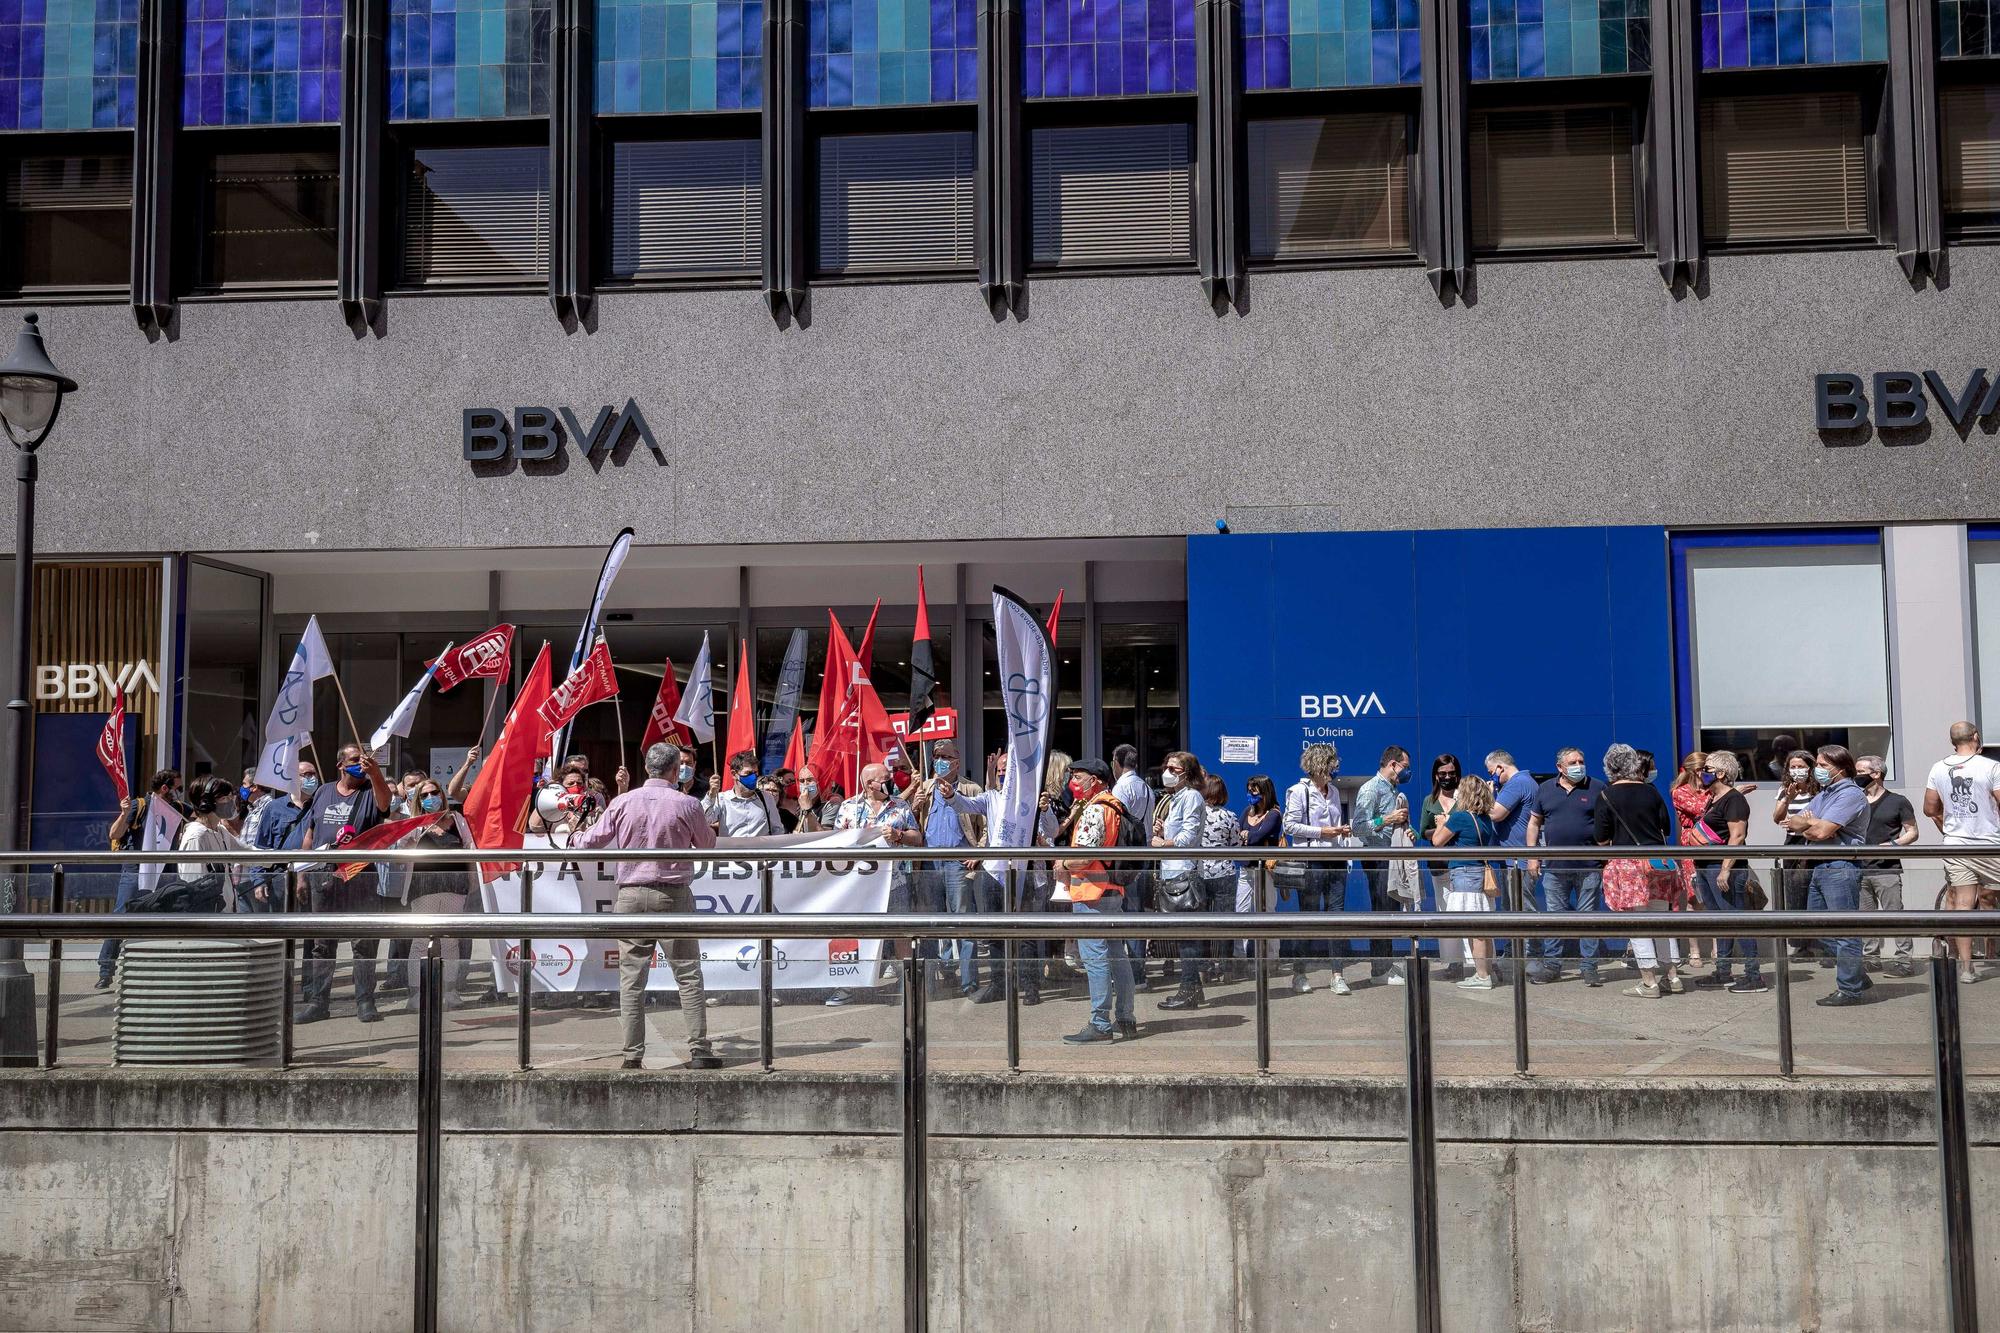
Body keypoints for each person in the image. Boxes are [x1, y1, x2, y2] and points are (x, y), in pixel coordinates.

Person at [568, 742, 720, 1070]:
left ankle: (632, 1055)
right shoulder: (687, 804)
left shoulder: (624, 801)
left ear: (647, 766)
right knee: (688, 975)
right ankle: (699, 1050)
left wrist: (573, 833)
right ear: (674, 769)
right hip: (673, 896)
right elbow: (707, 844)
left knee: (631, 978)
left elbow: (592, 840)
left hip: (631, 895)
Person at [941, 751, 1057, 1003]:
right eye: (1000, 772)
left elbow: (1052, 831)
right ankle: (999, 983)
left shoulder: (1033, 798)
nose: (1003, 775)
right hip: (993, 873)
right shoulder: (991, 798)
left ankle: (1030, 986)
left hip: (1024, 873)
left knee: (1025, 933)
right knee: (994, 931)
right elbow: (964, 805)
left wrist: (1046, 810)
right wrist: (950, 795)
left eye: (1007, 771)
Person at [297, 742, 396, 1024]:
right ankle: (319, 1002)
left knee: (363, 941)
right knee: (321, 944)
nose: (360, 763)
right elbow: (310, 835)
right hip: (323, 876)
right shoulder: (323, 792)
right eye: (354, 760)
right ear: (340, 765)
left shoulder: (369, 791)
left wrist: (375, 774)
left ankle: (365, 1001)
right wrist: (302, 874)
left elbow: (385, 804)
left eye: (363, 759)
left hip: (359, 874)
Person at [1054, 758, 1138, 1043]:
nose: (1073, 783)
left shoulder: (1094, 811)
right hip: (1112, 889)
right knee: (1117, 955)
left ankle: (1100, 1022)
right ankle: (1125, 1016)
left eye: (1079, 777)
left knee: (1096, 958)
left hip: (1092, 892)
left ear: (1097, 780)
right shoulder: (1115, 806)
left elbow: (1084, 857)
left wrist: (1063, 865)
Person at [1785, 744, 1874, 1006]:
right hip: (1819, 865)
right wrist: (1812, 825)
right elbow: (1795, 823)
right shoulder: (1824, 794)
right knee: (1817, 926)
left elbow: (1822, 832)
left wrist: (1812, 825)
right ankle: (1855, 971)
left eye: (1824, 765)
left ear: (1841, 768)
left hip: (1841, 865)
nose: (1818, 770)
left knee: (1844, 930)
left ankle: (1849, 989)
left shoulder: (1850, 795)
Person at [829, 762, 923, 1006]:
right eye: (885, 777)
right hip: (858, 885)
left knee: (901, 933)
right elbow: (835, 841)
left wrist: (899, 836)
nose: (890, 780)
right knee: (852, 934)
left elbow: (918, 838)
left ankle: (908, 985)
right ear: (869, 784)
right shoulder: (849, 807)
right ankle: (846, 985)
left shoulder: (900, 805)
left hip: (894, 882)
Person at [1594, 743, 1681, 999]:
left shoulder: (1606, 795)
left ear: (1610, 767)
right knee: (1662, 923)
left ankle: (1649, 982)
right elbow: (1665, 826)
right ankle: (1673, 977)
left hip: (1628, 866)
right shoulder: (1651, 792)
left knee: (1638, 923)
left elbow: (1601, 837)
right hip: (1658, 863)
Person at [391, 775, 479, 1011]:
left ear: (442, 794)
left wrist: (472, 879)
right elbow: (400, 850)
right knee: (421, 941)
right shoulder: (415, 822)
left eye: (435, 793)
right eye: (425, 795)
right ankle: (417, 993)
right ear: (418, 800)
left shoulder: (457, 819)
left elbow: (470, 849)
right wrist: (410, 832)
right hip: (424, 889)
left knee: (451, 940)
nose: (431, 798)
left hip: (454, 887)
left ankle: (449, 990)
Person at [905, 741, 984, 997]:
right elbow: (909, 825)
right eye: (936, 756)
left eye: (945, 757)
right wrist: (915, 806)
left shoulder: (970, 788)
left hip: (957, 863)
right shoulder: (925, 788)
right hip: (929, 862)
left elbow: (987, 825)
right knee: (931, 923)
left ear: (956, 762)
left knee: (963, 922)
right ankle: (937, 976)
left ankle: (969, 981)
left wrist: (979, 854)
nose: (939, 760)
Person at [1924, 721, 2000, 984]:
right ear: (1976, 737)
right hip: (1991, 843)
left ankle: (1967, 969)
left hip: (1956, 845)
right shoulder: (1991, 766)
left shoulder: (1938, 767)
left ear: (1952, 741)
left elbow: (1929, 808)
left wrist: (1949, 827)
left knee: (1963, 906)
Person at [1524, 746, 1606, 986]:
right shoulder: (1546, 789)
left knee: (1588, 919)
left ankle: (1589, 966)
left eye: (1581, 760)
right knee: (1555, 918)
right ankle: (1552, 965)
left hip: (1589, 866)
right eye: (1572, 762)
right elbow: (1534, 823)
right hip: (1554, 867)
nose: (1578, 765)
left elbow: (1607, 823)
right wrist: (1532, 856)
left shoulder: (1598, 787)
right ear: (1559, 767)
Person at [1688, 751, 1767, 992]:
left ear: (1721, 774)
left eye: (1707, 769)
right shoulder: (1715, 799)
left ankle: (1754, 976)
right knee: (1719, 922)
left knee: (1737, 920)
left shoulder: (1733, 800)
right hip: (1706, 867)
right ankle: (1723, 971)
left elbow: (1737, 836)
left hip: (1723, 869)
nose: (1701, 773)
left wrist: (1725, 869)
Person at [96, 769, 184, 988]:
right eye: (178, 788)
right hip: (135, 870)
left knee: (166, 917)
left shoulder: (177, 809)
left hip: (165, 870)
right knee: (121, 916)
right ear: (165, 788)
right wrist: (124, 813)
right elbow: (114, 834)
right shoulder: (140, 805)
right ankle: (106, 969)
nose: (180, 793)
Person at [1162, 774, 1242, 1010]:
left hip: (1198, 873)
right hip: (1225, 871)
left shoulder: (1194, 810)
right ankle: (1225, 968)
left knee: (1197, 928)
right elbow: (1236, 845)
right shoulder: (1229, 816)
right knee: (1225, 922)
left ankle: (1201, 973)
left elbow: (1185, 839)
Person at [1281, 743, 1349, 995]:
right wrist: (1323, 832)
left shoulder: (1333, 791)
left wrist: (1341, 834)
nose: (1336, 768)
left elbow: (1335, 824)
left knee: (1337, 918)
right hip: (1311, 860)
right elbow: (1289, 825)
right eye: (1332, 763)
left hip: (1335, 858)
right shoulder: (1299, 791)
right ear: (1320, 765)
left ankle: (1337, 974)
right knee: (1307, 917)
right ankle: (1300, 973)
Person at [1350, 746, 1412, 986]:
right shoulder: (1371, 788)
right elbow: (1359, 826)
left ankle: (1386, 962)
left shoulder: (1393, 790)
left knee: (1389, 910)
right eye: (1405, 767)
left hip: (1391, 854)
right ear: (1393, 765)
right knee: (1380, 909)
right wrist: (1387, 818)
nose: (1407, 772)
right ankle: (1379, 970)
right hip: (1376, 856)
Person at [1429, 773, 1498, 988]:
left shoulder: (1460, 817)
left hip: (1464, 875)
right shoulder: (1485, 819)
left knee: (1474, 929)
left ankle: (1482, 975)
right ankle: (1485, 972)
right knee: (1481, 929)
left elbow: (1437, 841)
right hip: (1479, 874)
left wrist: (1442, 822)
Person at [1855, 754, 1918, 977]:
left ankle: (1904, 961)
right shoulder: (1855, 800)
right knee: (1865, 918)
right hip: (1859, 869)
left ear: (1876, 774)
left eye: (1861, 772)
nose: (1857, 776)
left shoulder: (1897, 801)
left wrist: (1891, 845)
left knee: (1895, 915)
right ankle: (1871, 958)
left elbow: (1912, 833)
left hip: (1886, 869)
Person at [1149, 750, 1207, 990]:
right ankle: (1191, 987)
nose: (1167, 773)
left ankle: (1189, 988)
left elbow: (1188, 837)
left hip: (1184, 872)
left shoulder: (1191, 797)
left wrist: (1164, 842)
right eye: (1166, 767)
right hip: (1172, 871)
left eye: (1174, 770)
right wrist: (1163, 832)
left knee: (1187, 935)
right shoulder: (1175, 798)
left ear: (1188, 774)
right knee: (1182, 935)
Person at [244, 759, 319, 914]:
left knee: (311, 932)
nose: (312, 778)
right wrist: (259, 881)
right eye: (306, 775)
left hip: (314, 879)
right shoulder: (274, 808)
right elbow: (261, 848)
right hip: (281, 879)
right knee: (285, 928)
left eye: (314, 774)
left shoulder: (320, 806)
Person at [1110, 744, 1156, 981]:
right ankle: (1137, 970)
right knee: (1137, 911)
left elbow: (1115, 823)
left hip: (1127, 858)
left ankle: (1133, 973)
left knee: (1126, 911)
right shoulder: (1146, 788)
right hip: (1144, 854)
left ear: (1117, 762)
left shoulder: (1121, 788)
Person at [1773, 750, 1823, 959]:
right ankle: (1800, 944)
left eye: (1800, 766)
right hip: (1793, 843)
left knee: (1816, 892)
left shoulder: (1820, 790)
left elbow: (1821, 818)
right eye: (1792, 767)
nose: (1797, 771)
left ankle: (1822, 943)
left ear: (1810, 768)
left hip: (1814, 842)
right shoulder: (1785, 789)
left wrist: (1803, 823)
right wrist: (1787, 799)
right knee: (1794, 892)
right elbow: (1777, 817)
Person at [176, 776, 251, 908]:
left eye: (230, 797)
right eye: (224, 798)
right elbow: (194, 888)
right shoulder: (196, 837)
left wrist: (284, 857)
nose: (230, 802)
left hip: (224, 918)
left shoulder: (220, 831)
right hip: (208, 921)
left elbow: (247, 853)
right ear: (207, 803)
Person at [1670, 750, 1712, 969]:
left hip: (1714, 842)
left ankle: (1718, 947)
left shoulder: (1711, 789)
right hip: (1692, 843)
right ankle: (1694, 950)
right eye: (1708, 768)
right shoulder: (1680, 792)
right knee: (1694, 899)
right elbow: (1700, 809)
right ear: (1698, 770)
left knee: (1715, 897)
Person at [705, 749, 784, 836]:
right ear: (734, 774)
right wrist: (711, 795)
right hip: (733, 848)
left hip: (760, 849)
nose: (753, 777)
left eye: (755, 773)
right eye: (748, 773)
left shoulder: (767, 798)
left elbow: (777, 829)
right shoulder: (721, 799)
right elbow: (705, 820)